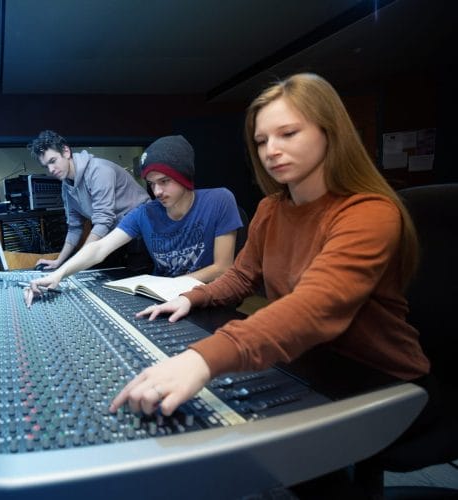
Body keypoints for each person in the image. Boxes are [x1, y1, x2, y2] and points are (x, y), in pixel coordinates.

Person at [109, 73, 430, 419]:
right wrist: (189, 297)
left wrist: (203, 359)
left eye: (288, 133)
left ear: (329, 132)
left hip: (381, 379)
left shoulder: (370, 213)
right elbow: (241, 277)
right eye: (261, 141)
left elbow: (313, 308)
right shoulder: (271, 209)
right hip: (309, 361)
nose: (271, 151)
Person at [24, 134, 244, 306]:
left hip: (206, 299)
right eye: (151, 183)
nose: (156, 191)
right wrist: (59, 273)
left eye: (164, 181)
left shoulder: (220, 200)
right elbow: (99, 247)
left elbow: (223, 268)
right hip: (163, 299)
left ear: (184, 175)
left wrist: (169, 286)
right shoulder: (145, 213)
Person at [27, 130, 150, 271]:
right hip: (114, 230)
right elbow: (74, 227)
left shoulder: (98, 170)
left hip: (142, 229)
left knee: (131, 279)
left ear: (66, 152)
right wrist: (59, 261)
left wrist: (74, 263)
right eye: (46, 166)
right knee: (101, 274)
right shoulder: (66, 185)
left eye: (53, 161)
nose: (51, 170)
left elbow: (103, 220)